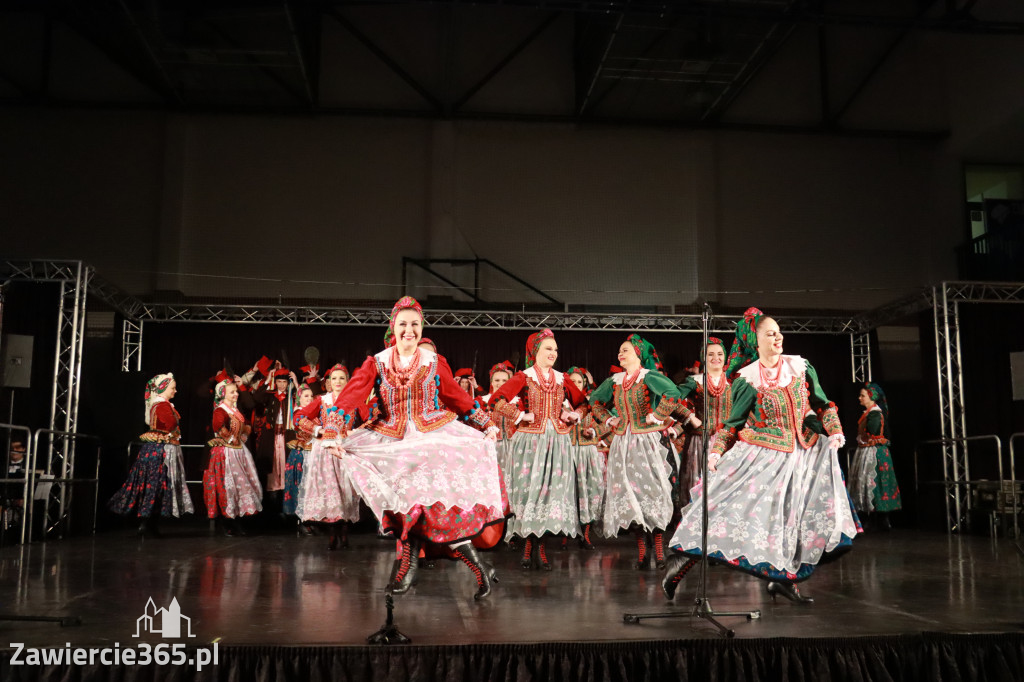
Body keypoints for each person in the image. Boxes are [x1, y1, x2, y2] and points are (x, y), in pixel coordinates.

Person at [307, 297, 507, 600]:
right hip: (393, 443)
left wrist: (485, 423)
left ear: (421, 327)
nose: (409, 330)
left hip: (432, 439)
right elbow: (352, 394)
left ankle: (431, 566)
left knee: (432, 511)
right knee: (410, 510)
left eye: (415, 324)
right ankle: (435, 567)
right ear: (393, 327)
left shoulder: (432, 362)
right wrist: (334, 432)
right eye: (403, 324)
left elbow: (456, 397)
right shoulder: (377, 362)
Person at [662, 308, 860, 604]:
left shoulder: (801, 367)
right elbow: (733, 423)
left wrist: (833, 430)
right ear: (755, 342)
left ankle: (784, 580)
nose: (777, 336)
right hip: (762, 455)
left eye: (779, 331)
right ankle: (683, 559)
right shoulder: (747, 379)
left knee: (791, 520)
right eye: (769, 333)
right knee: (731, 510)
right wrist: (716, 452)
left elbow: (821, 403)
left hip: (802, 454)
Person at [489, 329, 587, 570]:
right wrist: (520, 415)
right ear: (535, 352)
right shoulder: (524, 376)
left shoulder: (562, 378)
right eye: (548, 349)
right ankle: (528, 546)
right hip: (530, 442)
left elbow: (584, 403)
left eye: (555, 349)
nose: (553, 353)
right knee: (528, 492)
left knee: (550, 493)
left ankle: (540, 547)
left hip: (557, 443)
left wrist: (574, 414)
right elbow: (496, 401)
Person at [589, 335, 682, 569]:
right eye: (620, 351)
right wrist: (609, 419)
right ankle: (642, 551)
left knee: (654, 492)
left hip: (647, 441)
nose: (621, 354)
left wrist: (658, 415)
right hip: (623, 443)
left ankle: (659, 550)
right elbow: (595, 401)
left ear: (638, 354)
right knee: (630, 496)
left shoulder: (648, 376)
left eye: (626, 350)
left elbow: (672, 393)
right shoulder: (615, 381)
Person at [109, 373, 194, 536]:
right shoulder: (161, 406)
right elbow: (169, 425)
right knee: (154, 485)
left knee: (160, 487)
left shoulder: (165, 405)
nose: (175, 391)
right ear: (163, 388)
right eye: (173, 388)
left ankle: (151, 523)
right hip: (158, 451)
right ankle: (145, 523)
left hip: (165, 449)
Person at [295, 364, 361, 550]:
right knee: (331, 490)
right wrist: (318, 430)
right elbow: (299, 417)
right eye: (334, 378)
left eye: (341, 378)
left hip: (345, 450)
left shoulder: (354, 400)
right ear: (329, 382)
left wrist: (356, 432)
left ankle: (344, 531)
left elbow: (370, 418)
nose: (338, 382)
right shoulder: (322, 400)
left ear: (347, 381)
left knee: (344, 489)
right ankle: (333, 533)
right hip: (325, 451)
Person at [674, 337, 731, 505]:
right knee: (697, 485)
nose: (716, 358)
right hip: (700, 442)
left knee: (725, 487)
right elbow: (670, 400)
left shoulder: (734, 382)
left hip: (727, 442)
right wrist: (689, 416)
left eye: (720, 354)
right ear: (703, 357)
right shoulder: (695, 382)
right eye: (710, 354)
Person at [203, 380, 263, 535]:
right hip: (226, 453)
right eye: (232, 392)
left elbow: (248, 424)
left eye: (236, 391)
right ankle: (227, 521)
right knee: (227, 487)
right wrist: (231, 438)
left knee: (240, 485)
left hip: (238, 451)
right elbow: (218, 426)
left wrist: (243, 435)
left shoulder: (235, 410)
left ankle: (237, 520)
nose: (236, 394)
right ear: (223, 394)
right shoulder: (220, 410)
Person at [848, 383, 902, 530]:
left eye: (862, 396)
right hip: (867, 450)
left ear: (872, 397)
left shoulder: (875, 414)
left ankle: (882, 519)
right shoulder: (869, 413)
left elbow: (873, 431)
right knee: (868, 483)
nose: (859, 398)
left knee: (875, 483)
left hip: (875, 452)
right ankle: (870, 518)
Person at [566, 366, 605, 550]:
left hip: (588, 452)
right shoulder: (560, 403)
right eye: (572, 381)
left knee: (588, 492)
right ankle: (567, 534)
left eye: (579, 382)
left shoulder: (592, 402)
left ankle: (586, 535)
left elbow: (608, 423)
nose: (576, 385)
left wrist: (595, 431)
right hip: (567, 452)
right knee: (568, 492)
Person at [284, 384, 316, 536]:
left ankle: (309, 519)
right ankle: (300, 521)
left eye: (311, 396)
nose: (309, 399)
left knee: (311, 487)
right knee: (300, 486)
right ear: (299, 398)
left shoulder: (313, 413)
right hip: (302, 455)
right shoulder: (299, 413)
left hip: (313, 453)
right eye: (306, 396)